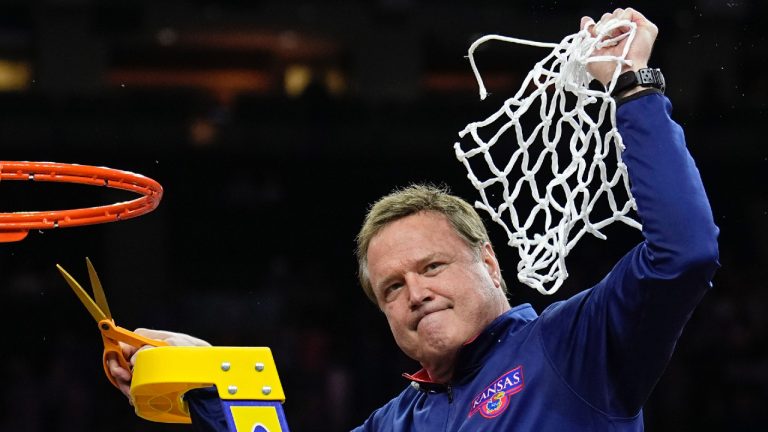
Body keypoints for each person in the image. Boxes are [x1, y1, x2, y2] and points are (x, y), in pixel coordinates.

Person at [108, 7, 720, 431]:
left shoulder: (571, 344)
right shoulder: (398, 419)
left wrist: (635, 90)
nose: (416, 294)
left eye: (431, 266)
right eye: (392, 288)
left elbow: (683, 254)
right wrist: (205, 377)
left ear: (488, 262)